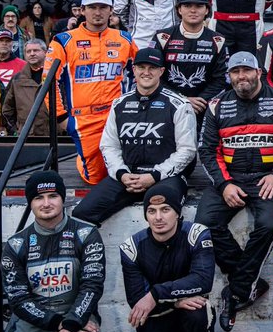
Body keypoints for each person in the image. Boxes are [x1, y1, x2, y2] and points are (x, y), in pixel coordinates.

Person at [197, 51, 273, 332]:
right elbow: (207, 151)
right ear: (229, 76)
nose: (242, 77)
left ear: (259, 72)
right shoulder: (216, 105)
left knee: (267, 225)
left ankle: (235, 292)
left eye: (246, 71)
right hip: (231, 179)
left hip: (269, 178)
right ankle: (247, 284)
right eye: (235, 72)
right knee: (203, 225)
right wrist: (224, 184)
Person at [0, 171, 105, 332]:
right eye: (39, 198)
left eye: (52, 196)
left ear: (63, 199)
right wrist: (57, 324)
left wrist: (70, 326)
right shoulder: (16, 244)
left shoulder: (86, 234)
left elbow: (92, 286)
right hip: (34, 322)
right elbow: (18, 299)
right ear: (30, 203)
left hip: (75, 316)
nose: (46, 203)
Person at [120, 181, 226, 332]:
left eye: (165, 209)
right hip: (158, 318)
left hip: (189, 311)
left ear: (177, 212)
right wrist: (175, 301)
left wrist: (156, 293)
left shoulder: (197, 234)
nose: (158, 217)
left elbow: (203, 281)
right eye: (152, 211)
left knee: (198, 310)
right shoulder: (131, 247)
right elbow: (137, 301)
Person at [72, 48, 196, 226]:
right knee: (81, 213)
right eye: (141, 67)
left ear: (161, 71)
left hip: (166, 177)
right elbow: (109, 146)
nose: (146, 72)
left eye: (152, 68)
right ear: (134, 70)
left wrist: (154, 175)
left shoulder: (179, 104)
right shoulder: (119, 104)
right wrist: (121, 174)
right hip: (128, 175)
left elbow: (187, 150)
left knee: (162, 214)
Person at [47, 0, 137, 184]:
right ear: (82, 10)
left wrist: (137, 109)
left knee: (125, 171)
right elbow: (48, 82)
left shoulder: (124, 39)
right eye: (92, 7)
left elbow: (142, 74)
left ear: (111, 10)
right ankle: (83, 159)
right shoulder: (64, 41)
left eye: (103, 7)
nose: (98, 12)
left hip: (117, 115)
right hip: (83, 118)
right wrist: (61, 117)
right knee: (95, 178)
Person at [154, 0, 229, 125]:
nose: (193, 10)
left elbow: (221, 79)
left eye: (199, 6)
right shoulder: (162, 37)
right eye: (187, 5)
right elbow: (155, 75)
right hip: (168, 104)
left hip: (203, 106)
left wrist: (199, 100)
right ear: (179, 10)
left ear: (207, 10)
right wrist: (182, 99)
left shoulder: (218, 40)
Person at [2, 38, 65, 137]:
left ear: (45, 52)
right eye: (28, 51)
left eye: (36, 50)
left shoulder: (58, 76)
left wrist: (64, 127)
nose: (32, 54)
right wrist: (17, 129)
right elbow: (7, 109)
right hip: (27, 137)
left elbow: (68, 103)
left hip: (56, 136)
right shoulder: (17, 79)